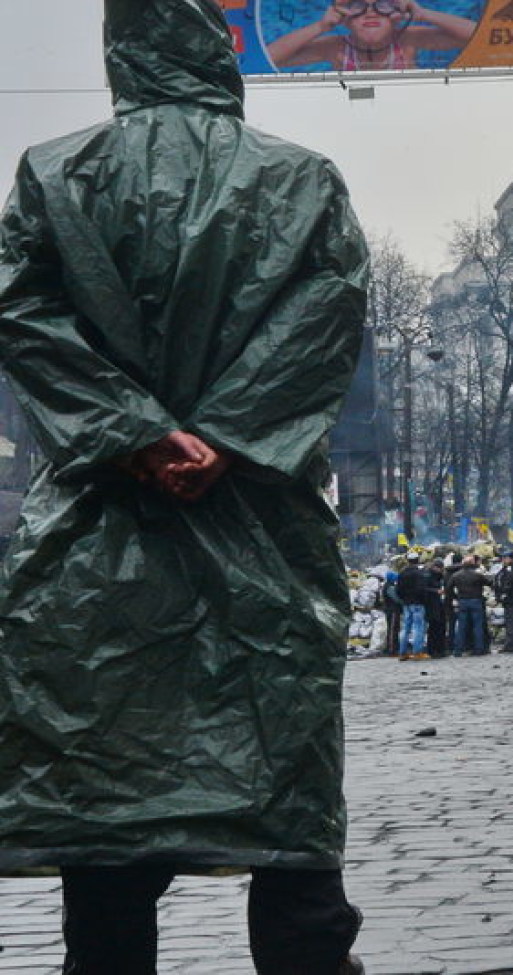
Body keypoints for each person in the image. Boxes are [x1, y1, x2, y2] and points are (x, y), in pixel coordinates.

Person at [0, 2, 369, 972]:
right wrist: (226, 435)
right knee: (287, 809)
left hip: (100, 535)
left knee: (108, 822)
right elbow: (325, 318)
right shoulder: (300, 180)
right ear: (221, 53)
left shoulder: (53, 173)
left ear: (118, 55)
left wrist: (134, 434)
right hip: (262, 521)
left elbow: (23, 314)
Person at [267, 0, 478, 72]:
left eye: (382, 5)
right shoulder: (336, 48)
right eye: (358, 5)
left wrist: (424, 14)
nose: (370, 12)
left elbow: (477, 38)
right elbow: (270, 58)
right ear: (345, 19)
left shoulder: (408, 40)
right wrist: (320, 26)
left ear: (396, 16)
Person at [449, 554, 492, 655]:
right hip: (476, 601)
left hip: (462, 601)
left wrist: (456, 597)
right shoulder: (477, 575)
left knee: (461, 626)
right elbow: (489, 583)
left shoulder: (456, 575)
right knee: (478, 626)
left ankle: (458, 650)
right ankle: (479, 649)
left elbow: (448, 589)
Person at [395, 554, 428, 659]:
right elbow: (422, 589)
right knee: (418, 627)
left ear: (408, 561)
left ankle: (402, 653)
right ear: (417, 560)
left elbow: (398, 590)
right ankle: (417, 652)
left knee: (405, 628)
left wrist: (404, 599)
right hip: (417, 603)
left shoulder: (402, 573)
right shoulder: (419, 573)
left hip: (406, 604)